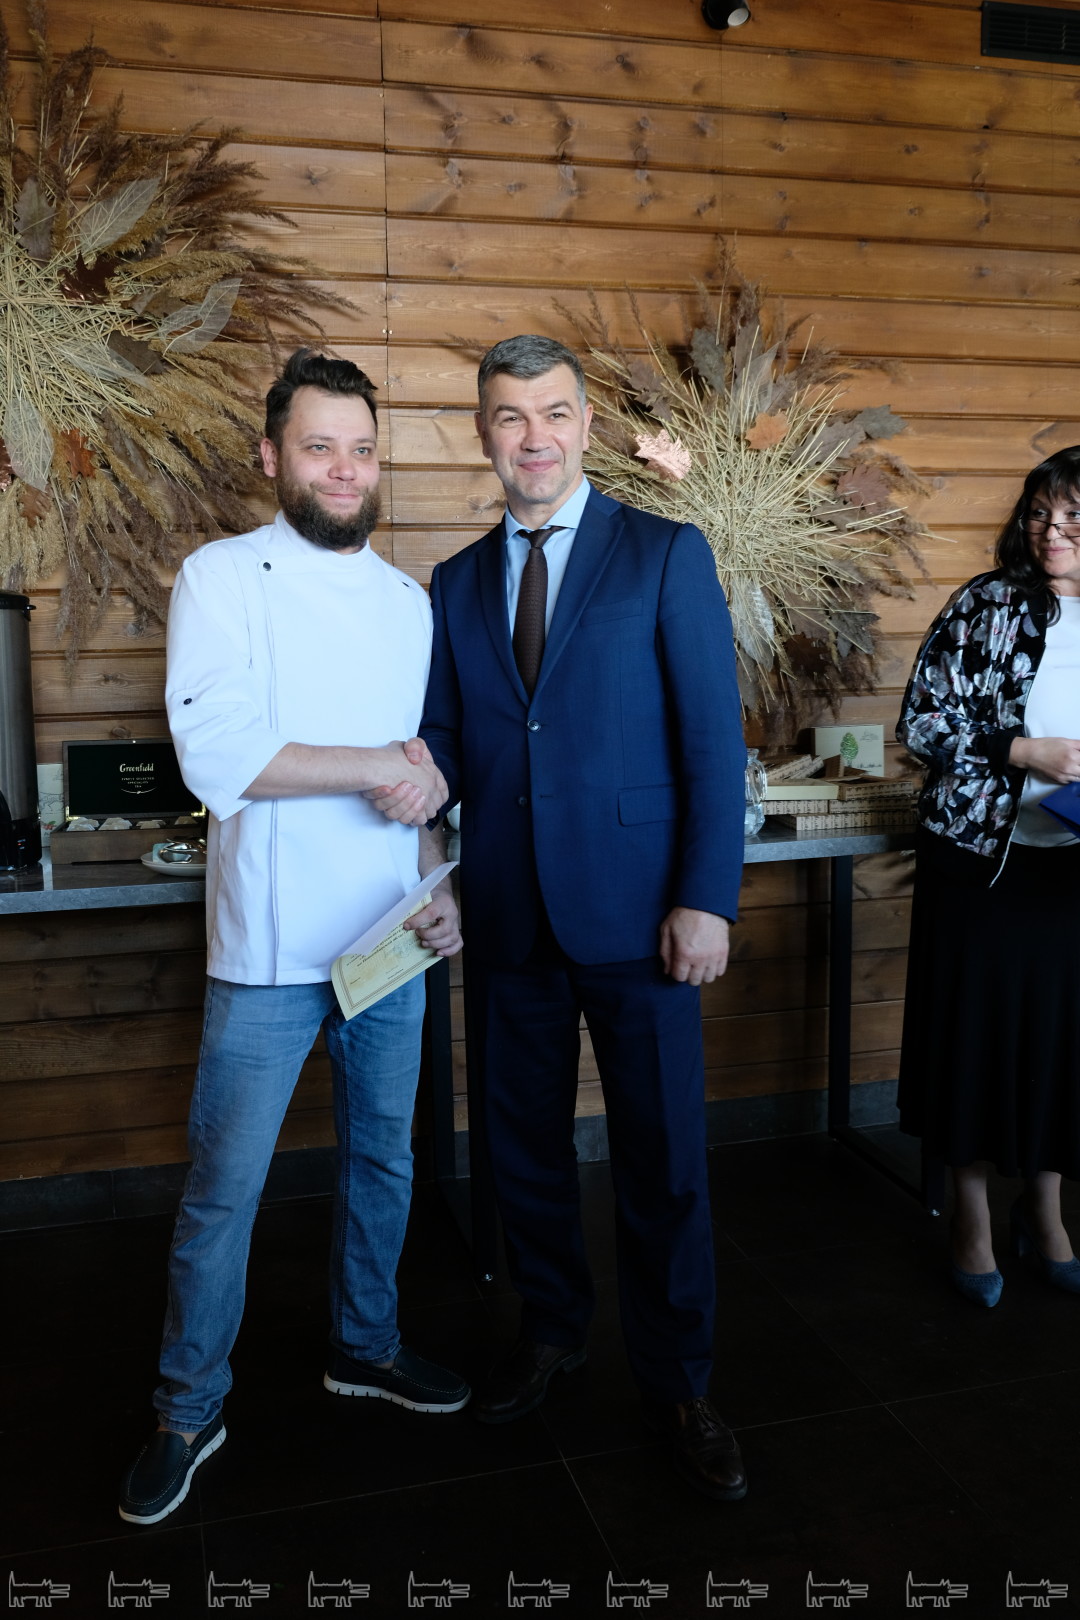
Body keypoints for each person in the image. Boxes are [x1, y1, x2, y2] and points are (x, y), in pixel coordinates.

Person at [378, 333, 747, 1500]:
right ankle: (551, 1331)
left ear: (586, 426)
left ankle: (679, 1380)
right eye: (508, 417)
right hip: (508, 917)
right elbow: (450, 737)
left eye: (551, 414)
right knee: (521, 1151)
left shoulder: (665, 553)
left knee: (662, 1160)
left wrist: (706, 897)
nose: (531, 437)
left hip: (643, 916)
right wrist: (410, 794)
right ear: (483, 435)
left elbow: (711, 740)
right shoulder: (453, 583)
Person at [118, 349, 467, 1527]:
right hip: (267, 953)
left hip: (389, 937)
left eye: (360, 449)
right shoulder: (220, 577)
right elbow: (222, 752)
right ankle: (186, 1409)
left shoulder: (410, 604)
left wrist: (439, 880)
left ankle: (365, 1344)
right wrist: (376, 768)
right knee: (225, 1190)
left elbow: (422, 778)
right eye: (320, 447)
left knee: (386, 1162)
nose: (344, 468)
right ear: (272, 458)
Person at [897, 444, 1080, 1308]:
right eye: (1041, 513)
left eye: (1073, 515)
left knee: (1059, 1045)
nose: (1052, 531)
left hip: (1071, 872)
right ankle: (969, 1217)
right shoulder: (986, 602)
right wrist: (1022, 751)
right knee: (970, 1040)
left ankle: (1044, 1212)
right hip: (981, 860)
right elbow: (922, 719)